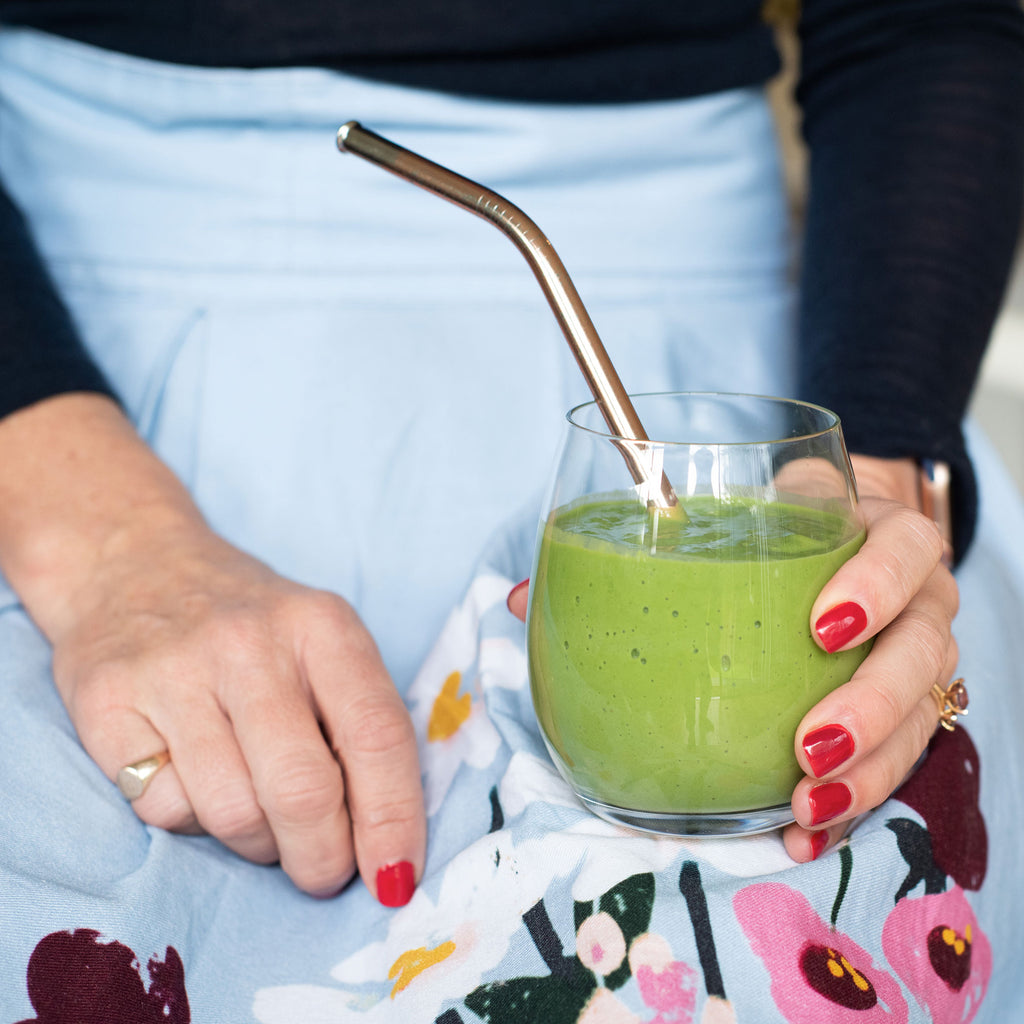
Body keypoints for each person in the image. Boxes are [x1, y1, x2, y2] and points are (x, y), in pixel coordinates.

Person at [0, 0, 1021, 1020]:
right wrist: (103, 546)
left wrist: (875, 487)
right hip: (58, 399)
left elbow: (921, 22)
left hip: (759, 396)